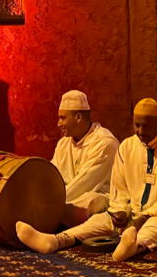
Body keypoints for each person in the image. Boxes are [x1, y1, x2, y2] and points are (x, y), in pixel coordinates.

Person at [16, 98, 157, 261]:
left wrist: (144, 217)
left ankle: (132, 246)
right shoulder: (127, 147)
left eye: (146, 126)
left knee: (154, 227)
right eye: (137, 125)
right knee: (100, 220)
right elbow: (119, 188)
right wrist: (121, 211)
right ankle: (55, 241)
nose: (140, 131)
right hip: (133, 212)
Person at [51, 90, 119, 227]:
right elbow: (53, 175)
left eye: (63, 118)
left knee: (92, 200)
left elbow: (84, 183)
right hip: (64, 198)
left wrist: (50, 204)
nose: (59, 124)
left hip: (100, 196)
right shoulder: (63, 143)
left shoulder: (104, 143)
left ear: (78, 117)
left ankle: (52, 221)